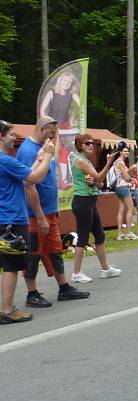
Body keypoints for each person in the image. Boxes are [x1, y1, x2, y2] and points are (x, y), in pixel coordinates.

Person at [17, 117, 90, 307]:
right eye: (51, 133)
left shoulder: (46, 148)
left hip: (50, 211)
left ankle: (64, 287)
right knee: (33, 253)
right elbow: (28, 185)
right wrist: (40, 216)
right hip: (35, 215)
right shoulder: (27, 151)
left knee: (55, 250)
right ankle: (31, 293)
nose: (53, 137)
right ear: (43, 129)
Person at [1, 120, 56, 323]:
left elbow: (23, 179)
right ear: (1, 136)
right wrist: (48, 156)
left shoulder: (6, 161)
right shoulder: (6, 161)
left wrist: (39, 158)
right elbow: (34, 179)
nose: (15, 138)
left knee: (9, 265)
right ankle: (7, 311)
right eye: (11, 135)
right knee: (12, 267)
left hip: (5, 218)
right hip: (12, 220)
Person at [68, 134, 122, 283]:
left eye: (92, 143)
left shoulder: (87, 161)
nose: (91, 145)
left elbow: (99, 183)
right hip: (82, 201)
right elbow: (99, 177)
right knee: (83, 237)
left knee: (99, 235)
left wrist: (94, 181)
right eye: (87, 143)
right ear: (80, 145)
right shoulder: (80, 160)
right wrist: (109, 163)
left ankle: (105, 268)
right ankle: (76, 273)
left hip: (90, 201)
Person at [111, 144, 137, 240]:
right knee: (131, 209)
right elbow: (126, 177)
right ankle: (129, 232)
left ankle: (120, 234)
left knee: (121, 209)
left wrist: (130, 170)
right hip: (123, 187)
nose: (127, 153)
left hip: (118, 188)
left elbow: (124, 174)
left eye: (127, 151)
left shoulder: (117, 162)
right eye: (125, 151)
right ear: (120, 152)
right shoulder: (121, 162)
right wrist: (132, 179)